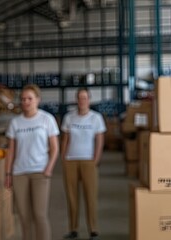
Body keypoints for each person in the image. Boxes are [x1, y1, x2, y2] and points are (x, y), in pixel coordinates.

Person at [4, 84, 60, 240]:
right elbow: (11, 151)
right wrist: (8, 173)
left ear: (37, 100)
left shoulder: (46, 119)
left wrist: (49, 168)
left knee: (40, 214)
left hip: (40, 172)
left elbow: (55, 148)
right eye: (23, 99)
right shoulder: (16, 123)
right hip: (19, 173)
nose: (26, 102)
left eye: (30, 98)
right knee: (24, 216)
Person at [61, 87, 106, 240]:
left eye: (85, 98)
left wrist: (96, 158)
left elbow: (99, 139)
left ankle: (93, 229)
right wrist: (63, 158)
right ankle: (73, 229)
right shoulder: (69, 117)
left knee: (90, 196)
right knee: (72, 197)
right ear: (76, 100)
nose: (82, 101)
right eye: (80, 98)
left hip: (88, 160)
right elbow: (65, 139)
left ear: (89, 100)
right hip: (71, 160)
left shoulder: (96, 118)